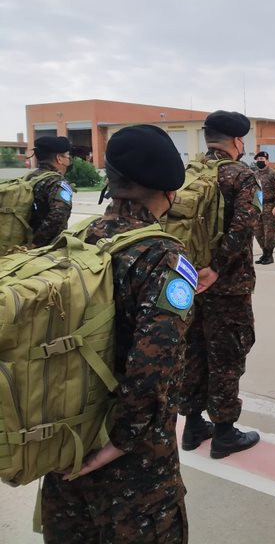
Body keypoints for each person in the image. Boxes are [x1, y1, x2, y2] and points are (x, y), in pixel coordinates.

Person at [41, 125, 193, 543]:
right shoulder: (163, 257)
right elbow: (154, 365)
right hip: (135, 470)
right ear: (169, 191)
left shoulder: (75, 241)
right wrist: (120, 442)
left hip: (65, 442)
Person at [179, 110, 261, 458]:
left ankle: (193, 425)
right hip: (227, 285)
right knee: (227, 354)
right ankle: (225, 432)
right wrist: (215, 268)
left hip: (186, 282)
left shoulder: (186, 175)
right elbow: (244, 228)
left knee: (194, 350)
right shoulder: (241, 176)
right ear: (238, 142)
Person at [27, 135, 73, 247]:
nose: (69, 159)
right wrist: (35, 243)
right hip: (46, 249)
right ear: (59, 158)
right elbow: (58, 216)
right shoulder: (57, 182)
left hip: (22, 242)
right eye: (67, 155)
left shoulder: (29, 178)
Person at [253, 150, 275, 265]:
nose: (260, 161)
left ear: (267, 161)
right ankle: (264, 253)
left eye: (262, 159)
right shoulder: (255, 174)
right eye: (258, 159)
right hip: (258, 207)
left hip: (269, 206)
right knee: (258, 232)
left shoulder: (273, 173)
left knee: (269, 233)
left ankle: (269, 255)